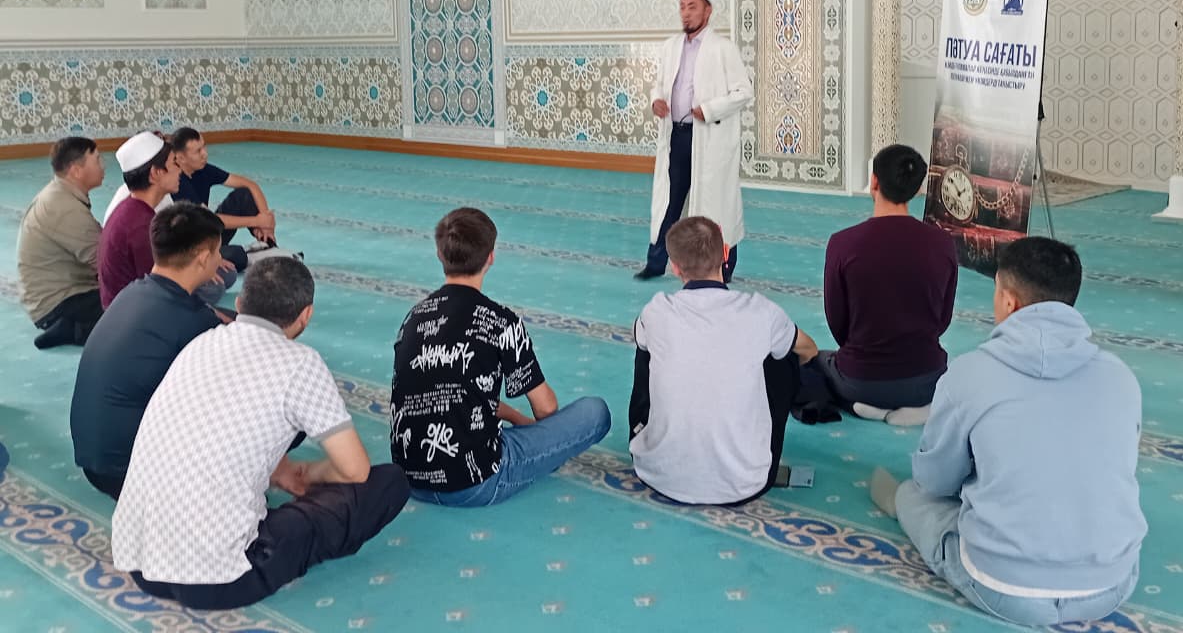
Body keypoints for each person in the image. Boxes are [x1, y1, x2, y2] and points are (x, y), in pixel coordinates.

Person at [870, 237, 1146, 628]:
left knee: (916, 497)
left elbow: (934, 482)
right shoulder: (1120, 377)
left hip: (1004, 588)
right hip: (1111, 584)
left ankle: (902, 505)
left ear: (1009, 301)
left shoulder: (969, 374)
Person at [112, 257, 409, 609]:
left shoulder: (200, 343)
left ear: (239, 304)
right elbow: (355, 470)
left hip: (140, 560)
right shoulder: (300, 363)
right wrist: (305, 473)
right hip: (221, 579)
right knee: (387, 483)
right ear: (306, 315)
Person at [391, 208, 611, 506]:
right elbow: (545, 409)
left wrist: (517, 419)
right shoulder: (500, 321)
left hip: (410, 479)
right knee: (595, 412)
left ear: (439, 254)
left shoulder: (413, 317)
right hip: (477, 483)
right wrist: (538, 431)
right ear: (491, 257)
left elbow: (449, 392)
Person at [629, 216, 818, 504]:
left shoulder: (656, 311)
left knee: (646, 345)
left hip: (657, 473)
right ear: (726, 253)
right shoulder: (761, 312)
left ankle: (650, 436)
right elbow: (809, 349)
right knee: (783, 354)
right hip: (746, 482)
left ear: (675, 266)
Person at [70, 203, 228, 499]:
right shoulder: (194, 321)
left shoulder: (131, 292)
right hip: (131, 474)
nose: (220, 259)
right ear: (203, 257)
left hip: (94, 462)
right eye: (218, 252)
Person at [817, 144, 958, 425]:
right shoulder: (943, 244)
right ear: (917, 190)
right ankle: (919, 408)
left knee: (811, 361)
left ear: (874, 181)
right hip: (927, 380)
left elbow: (837, 323)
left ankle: (871, 409)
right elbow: (942, 319)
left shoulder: (843, 243)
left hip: (860, 382)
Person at [636, 0, 753, 283]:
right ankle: (655, 263)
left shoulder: (723, 49)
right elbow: (659, 85)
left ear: (707, 11)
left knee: (716, 208)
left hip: (709, 141)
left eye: (693, 7)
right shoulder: (670, 47)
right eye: (682, 7)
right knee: (671, 202)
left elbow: (744, 92)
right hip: (676, 137)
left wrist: (709, 109)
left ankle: (724, 268)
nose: (686, 13)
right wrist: (656, 101)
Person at [97, 131, 234, 309]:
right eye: (174, 163)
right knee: (214, 289)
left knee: (222, 272)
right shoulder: (139, 226)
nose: (179, 170)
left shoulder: (136, 207)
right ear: (155, 173)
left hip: (144, 296)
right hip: (134, 310)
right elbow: (161, 291)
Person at [17, 137, 107, 349]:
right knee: (130, 311)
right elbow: (105, 262)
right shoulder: (64, 208)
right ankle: (72, 329)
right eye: (97, 160)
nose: (103, 166)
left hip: (60, 295)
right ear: (76, 171)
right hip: (57, 305)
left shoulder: (62, 194)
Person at [170, 126, 277, 271]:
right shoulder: (177, 182)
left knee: (244, 194)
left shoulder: (203, 169)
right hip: (190, 248)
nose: (205, 154)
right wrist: (257, 221)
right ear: (180, 157)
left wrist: (266, 221)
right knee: (236, 255)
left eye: (204, 147)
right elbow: (208, 219)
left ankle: (269, 244)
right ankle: (256, 254)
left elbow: (251, 185)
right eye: (198, 151)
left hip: (208, 234)